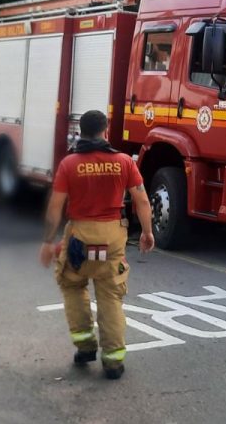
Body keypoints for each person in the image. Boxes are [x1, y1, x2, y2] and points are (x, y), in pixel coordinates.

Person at [39, 110, 155, 380]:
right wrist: (147, 232)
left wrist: (47, 241)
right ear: (106, 129)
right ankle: (113, 362)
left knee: (72, 284)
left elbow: (55, 207)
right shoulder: (124, 162)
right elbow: (142, 201)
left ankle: (85, 347)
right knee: (111, 295)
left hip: (80, 235)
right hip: (112, 235)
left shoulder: (69, 164)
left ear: (81, 130)